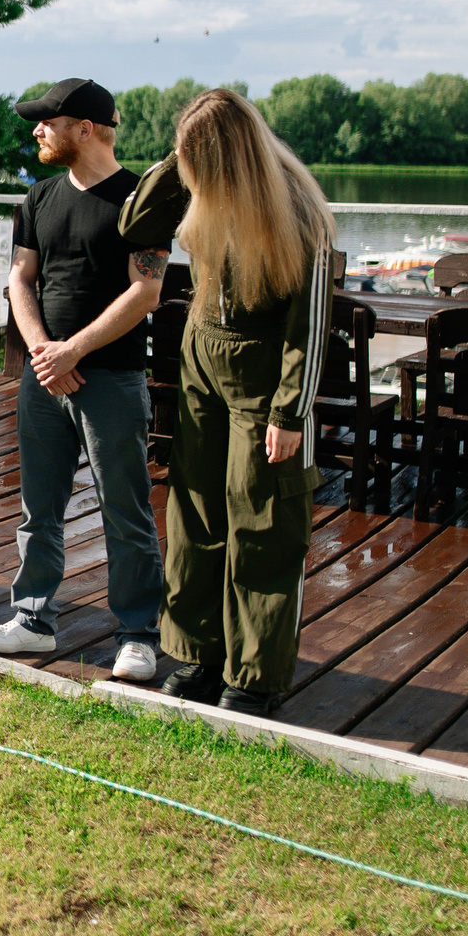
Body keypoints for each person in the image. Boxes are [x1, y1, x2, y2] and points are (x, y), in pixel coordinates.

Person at [117, 87, 334, 717]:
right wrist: (175, 160)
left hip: (263, 383)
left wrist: (291, 411)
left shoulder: (298, 211)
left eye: (197, 161)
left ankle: (255, 675)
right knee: (196, 515)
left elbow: (310, 323)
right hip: (201, 368)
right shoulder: (204, 189)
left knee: (263, 524)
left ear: (229, 157)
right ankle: (200, 655)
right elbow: (136, 225)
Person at [0, 80, 166, 682]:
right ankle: (33, 619)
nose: (37, 131)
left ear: (85, 128)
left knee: (124, 509)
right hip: (44, 378)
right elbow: (20, 278)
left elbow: (146, 290)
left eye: (47, 122)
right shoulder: (39, 197)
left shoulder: (139, 199)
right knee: (39, 506)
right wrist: (42, 353)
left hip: (112, 379)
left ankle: (138, 634)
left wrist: (72, 351)